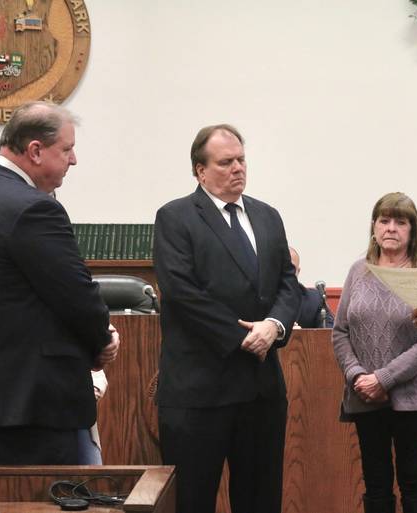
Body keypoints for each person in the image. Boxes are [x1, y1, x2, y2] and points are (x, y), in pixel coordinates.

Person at [0, 101, 120, 465]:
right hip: (31, 406)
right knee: (50, 495)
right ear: (36, 151)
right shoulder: (34, 208)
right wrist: (102, 341)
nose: (74, 160)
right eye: (67, 150)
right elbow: (77, 297)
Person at [152, 124, 301, 513]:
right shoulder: (176, 217)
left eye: (241, 160)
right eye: (225, 162)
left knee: (261, 500)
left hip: (260, 390)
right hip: (200, 391)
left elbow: (288, 283)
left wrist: (274, 326)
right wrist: (242, 337)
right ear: (200, 171)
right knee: (192, 500)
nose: (238, 168)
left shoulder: (267, 216)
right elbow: (182, 292)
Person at [333, 192, 417, 513]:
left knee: (414, 481)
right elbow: (340, 332)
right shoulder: (358, 271)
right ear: (374, 226)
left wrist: (383, 378)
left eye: (400, 222)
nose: (391, 228)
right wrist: (358, 376)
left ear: (413, 229)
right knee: (375, 483)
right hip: (364, 395)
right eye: (384, 220)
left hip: (412, 398)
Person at [289, 246, 335, 328]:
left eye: (290, 268)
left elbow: (329, 331)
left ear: (298, 272)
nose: (285, 272)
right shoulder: (263, 297)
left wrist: (300, 333)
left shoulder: (314, 300)